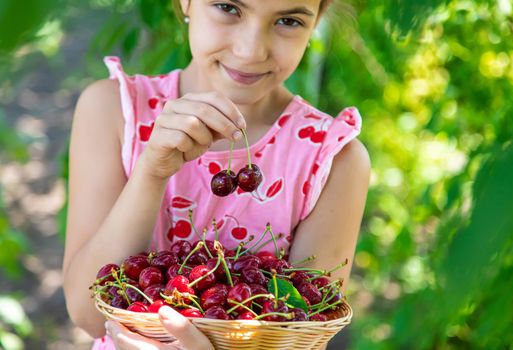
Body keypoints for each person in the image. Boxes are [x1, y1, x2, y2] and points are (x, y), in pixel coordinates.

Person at [62, 0, 370, 349]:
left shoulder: (332, 159)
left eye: (288, 20)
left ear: (317, 21)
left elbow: (305, 331)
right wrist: (150, 173)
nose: (250, 50)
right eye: (228, 7)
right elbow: (88, 314)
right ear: (186, 3)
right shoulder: (113, 111)